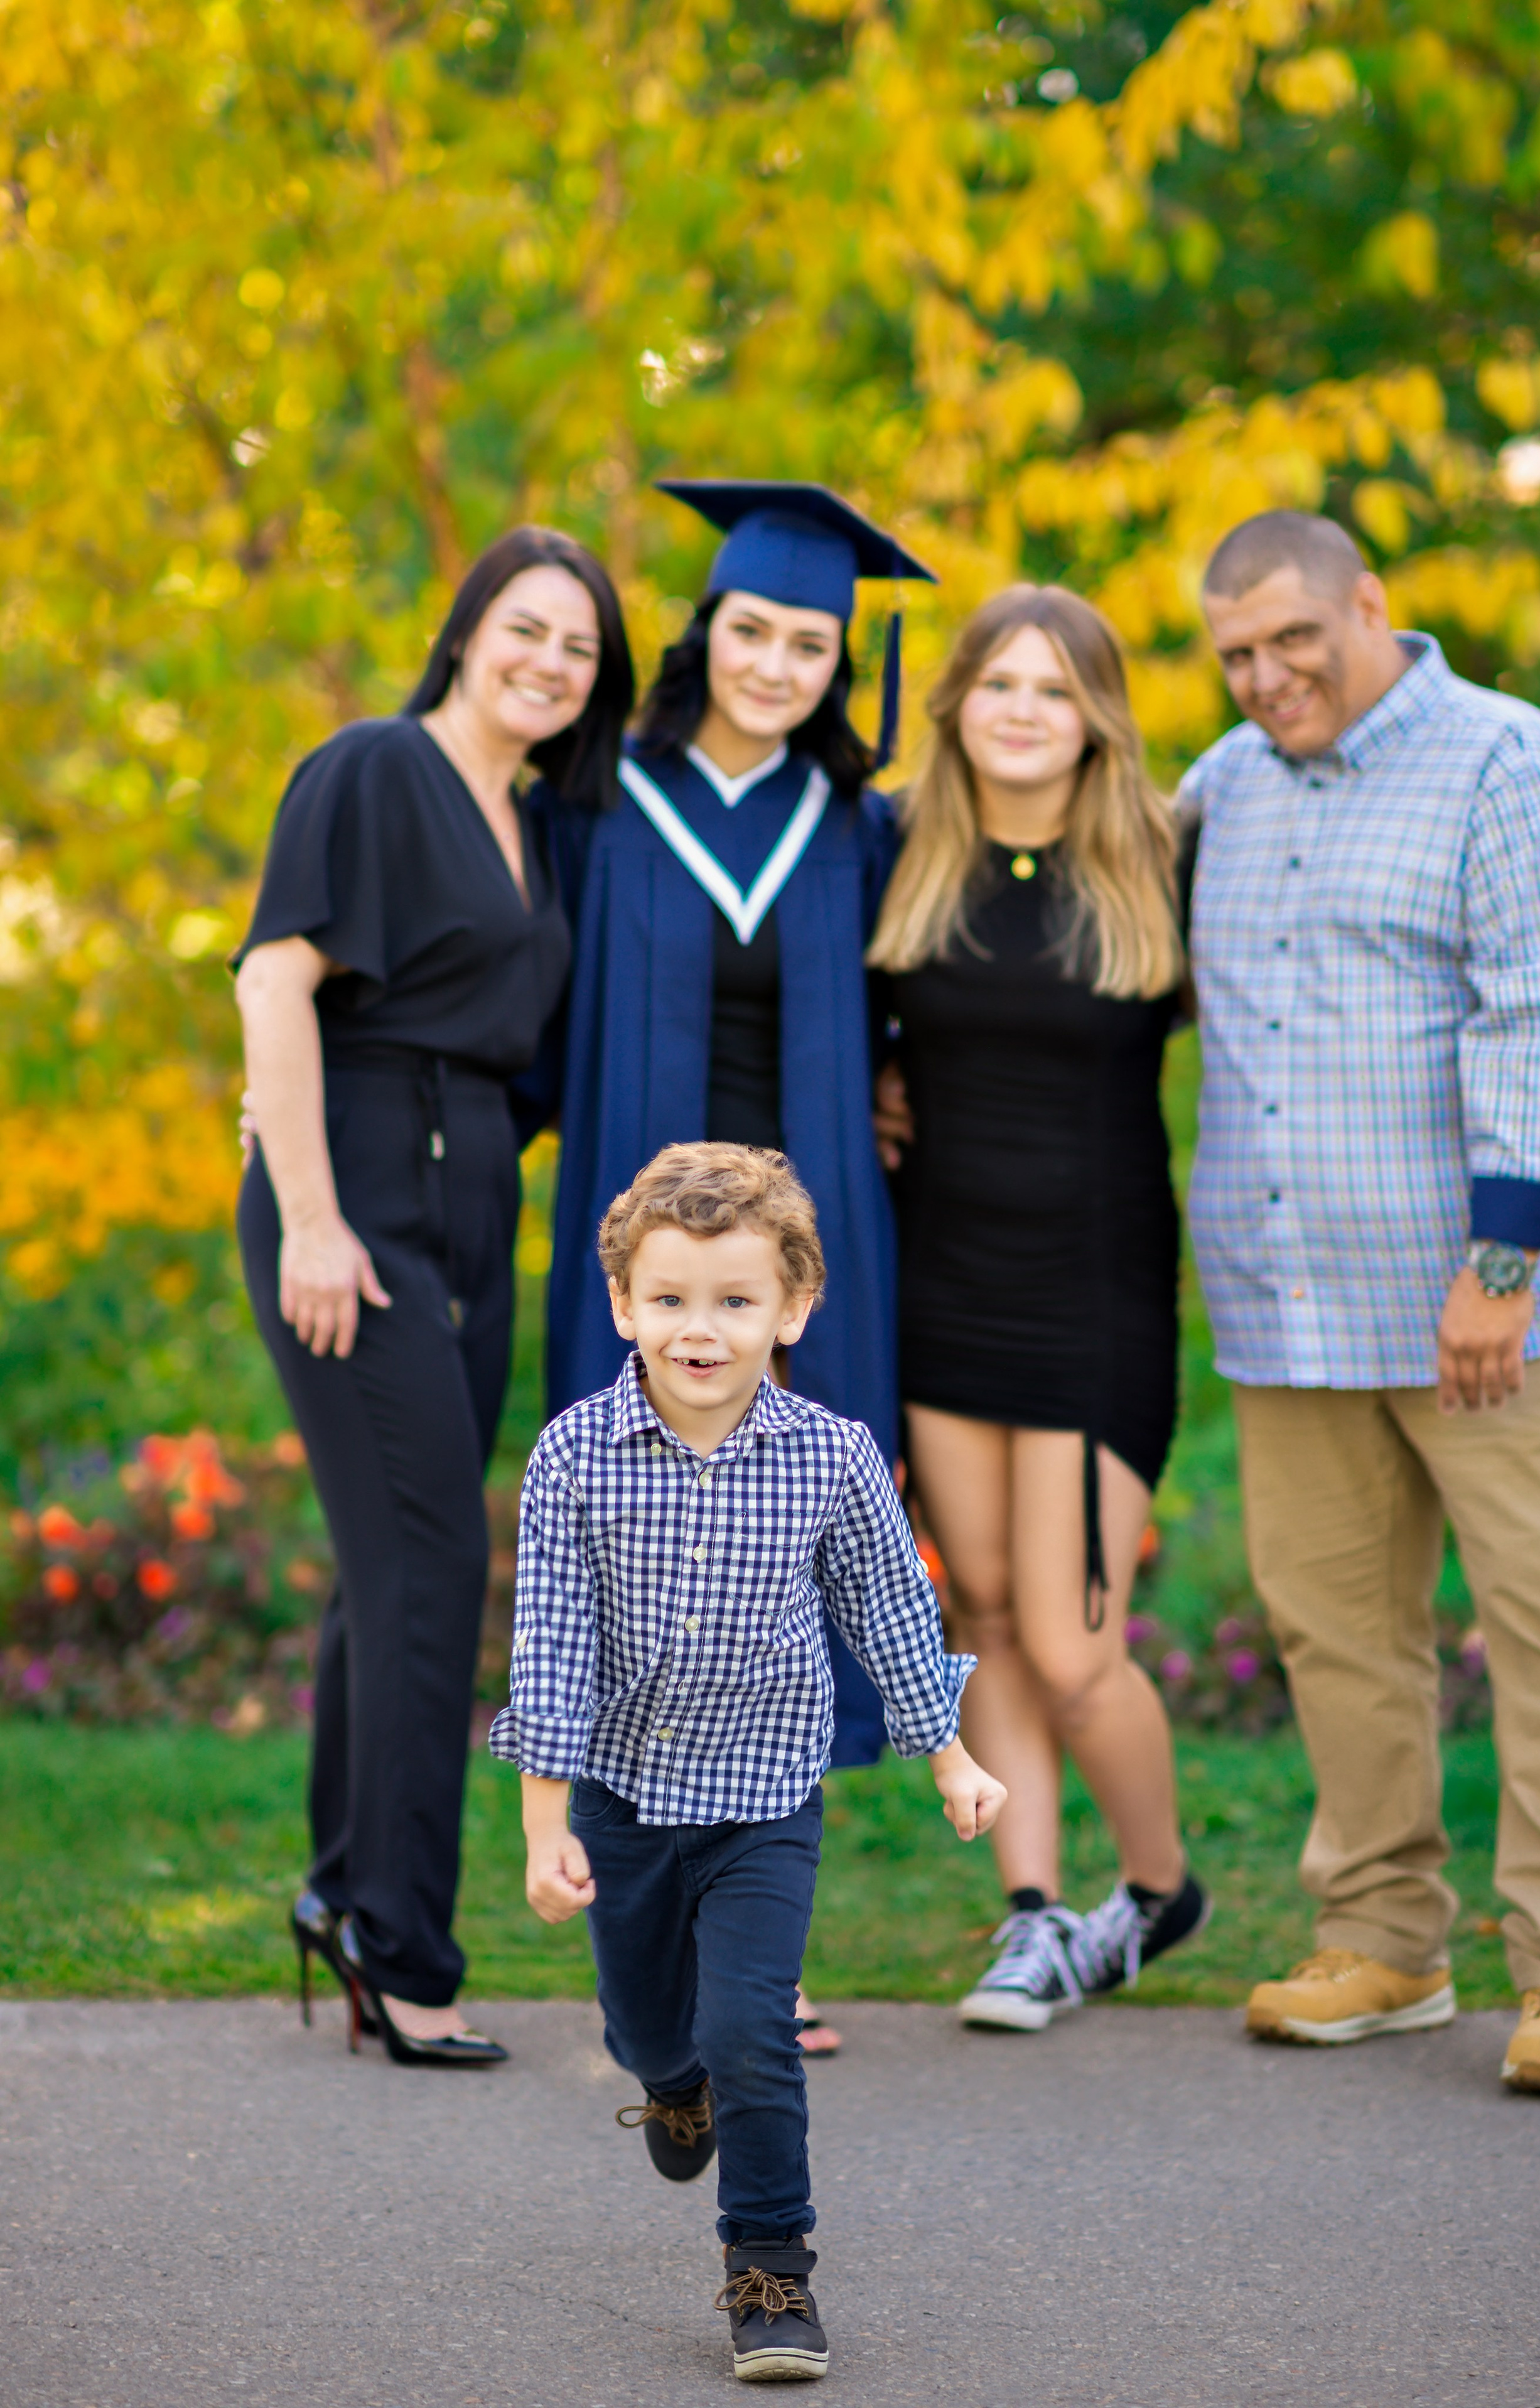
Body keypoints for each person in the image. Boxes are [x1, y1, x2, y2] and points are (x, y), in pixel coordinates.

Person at [1186, 507, 1540, 2095]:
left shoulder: (1507, 761)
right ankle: (1384, 1939)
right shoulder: (1220, 788)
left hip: (1486, 1311)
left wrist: (1502, 1264)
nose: (1265, 674)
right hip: (1291, 1310)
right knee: (1337, 1637)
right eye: (1233, 652)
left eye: (1292, 636)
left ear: (1368, 602)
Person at [533, 480, 939, 2057]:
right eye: (751, 630)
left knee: (800, 1564)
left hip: (810, 1247)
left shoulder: (857, 823)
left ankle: (758, 1951)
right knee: (627, 1556)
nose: (776, 662)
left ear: (841, 663)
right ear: (704, 633)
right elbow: (532, 1016)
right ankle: (644, 1921)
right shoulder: (603, 801)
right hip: (647, 1256)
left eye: (810, 641)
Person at [492, 1142, 1004, 2382]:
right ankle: (673, 2087)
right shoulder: (573, 1457)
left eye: (733, 1301)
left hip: (764, 1798)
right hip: (618, 1795)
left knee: (751, 2030)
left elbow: (888, 1608)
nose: (699, 1329)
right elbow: (552, 1648)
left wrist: (949, 1757)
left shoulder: (829, 1457)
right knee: (645, 2025)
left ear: (792, 1306)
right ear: (622, 1303)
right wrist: (540, 1826)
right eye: (667, 1299)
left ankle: (768, 2269)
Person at [235, 526, 633, 2065]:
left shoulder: (538, 820)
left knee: (387, 1563)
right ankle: (404, 1951)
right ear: (465, 627)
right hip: (360, 1194)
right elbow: (275, 980)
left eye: (578, 648)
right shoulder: (372, 767)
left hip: (474, 1201)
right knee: (434, 1565)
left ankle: (347, 1896)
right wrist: (313, 1220)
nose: (547, 661)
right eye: (524, 628)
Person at [868, 585, 1210, 2031]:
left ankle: (1154, 1891)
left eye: (1053, 688)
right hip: (944, 1284)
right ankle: (1029, 1914)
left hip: (1093, 1296)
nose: (1021, 707)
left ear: (1093, 718)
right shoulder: (901, 857)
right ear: (957, 705)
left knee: (1074, 1645)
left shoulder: (1159, 858)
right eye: (997, 682)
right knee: (989, 1608)